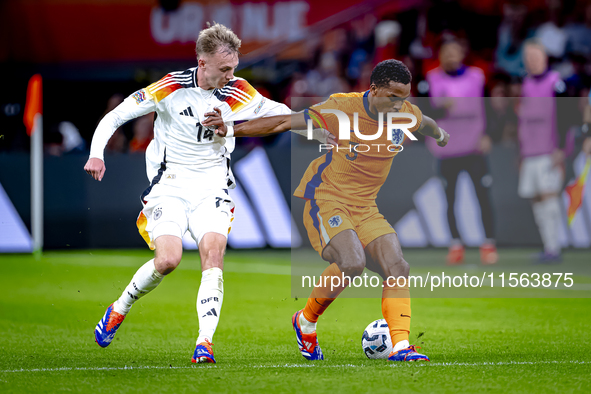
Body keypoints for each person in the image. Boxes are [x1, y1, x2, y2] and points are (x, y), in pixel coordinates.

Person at [84, 23, 329, 364]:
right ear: (202, 62)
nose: (231, 76)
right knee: (168, 260)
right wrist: (97, 152)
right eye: (224, 69)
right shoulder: (170, 87)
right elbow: (117, 115)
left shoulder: (237, 90)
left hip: (213, 186)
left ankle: (205, 343)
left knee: (212, 259)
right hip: (169, 186)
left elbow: (280, 114)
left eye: (234, 68)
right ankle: (119, 308)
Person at [213, 59, 450, 362]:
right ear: (373, 88)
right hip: (325, 198)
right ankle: (305, 321)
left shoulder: (405, 114)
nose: (399, 104)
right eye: (393, 96)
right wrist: (231, 129)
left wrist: (440, 134)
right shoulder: (342, 108)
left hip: (365, 207)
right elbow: (284, 121)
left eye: (404, 97)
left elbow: (425, 122)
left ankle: (402, 347)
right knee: (352, 262)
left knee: (398, 268)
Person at [423, 39, 497, 265]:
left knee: (482, 197)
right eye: (446, 53)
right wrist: (441, 107)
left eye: (455, 52)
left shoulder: (477, 77)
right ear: (441, 56)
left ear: (462, 54)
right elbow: (422, 112)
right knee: (450, 199)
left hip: (474, 147)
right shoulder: (430, 81)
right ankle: (456, 245)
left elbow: (490, 107)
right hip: (447, 149)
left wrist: (489, 134)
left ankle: (488, 244)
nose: (451, 57)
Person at [517, 40, 568, 263]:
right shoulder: (525, 84)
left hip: (549, 150)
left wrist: (563, 149)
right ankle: (548, 246)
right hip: (529, 152)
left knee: (549, 196)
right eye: (528, 57)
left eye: (536, 56)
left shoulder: (556, 83)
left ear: (545, 58)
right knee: (536, 198)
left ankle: (554, 247)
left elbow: (566, 116)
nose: (532, 61)